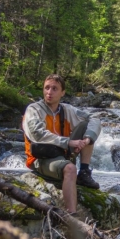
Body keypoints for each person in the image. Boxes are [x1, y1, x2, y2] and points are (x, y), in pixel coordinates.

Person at [22, 74, 101, 214]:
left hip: (61, 153)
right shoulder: (34, 110)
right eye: (46, 88)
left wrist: (87, 139)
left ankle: (84, 171)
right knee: (70, 169)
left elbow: (94, 118)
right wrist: (68, 142)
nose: (49, 92)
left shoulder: (67, 110)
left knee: (86, 125)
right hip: (40, 158)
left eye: (54, 89)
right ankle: (71, 216)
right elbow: (37, 134)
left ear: (62, 92)